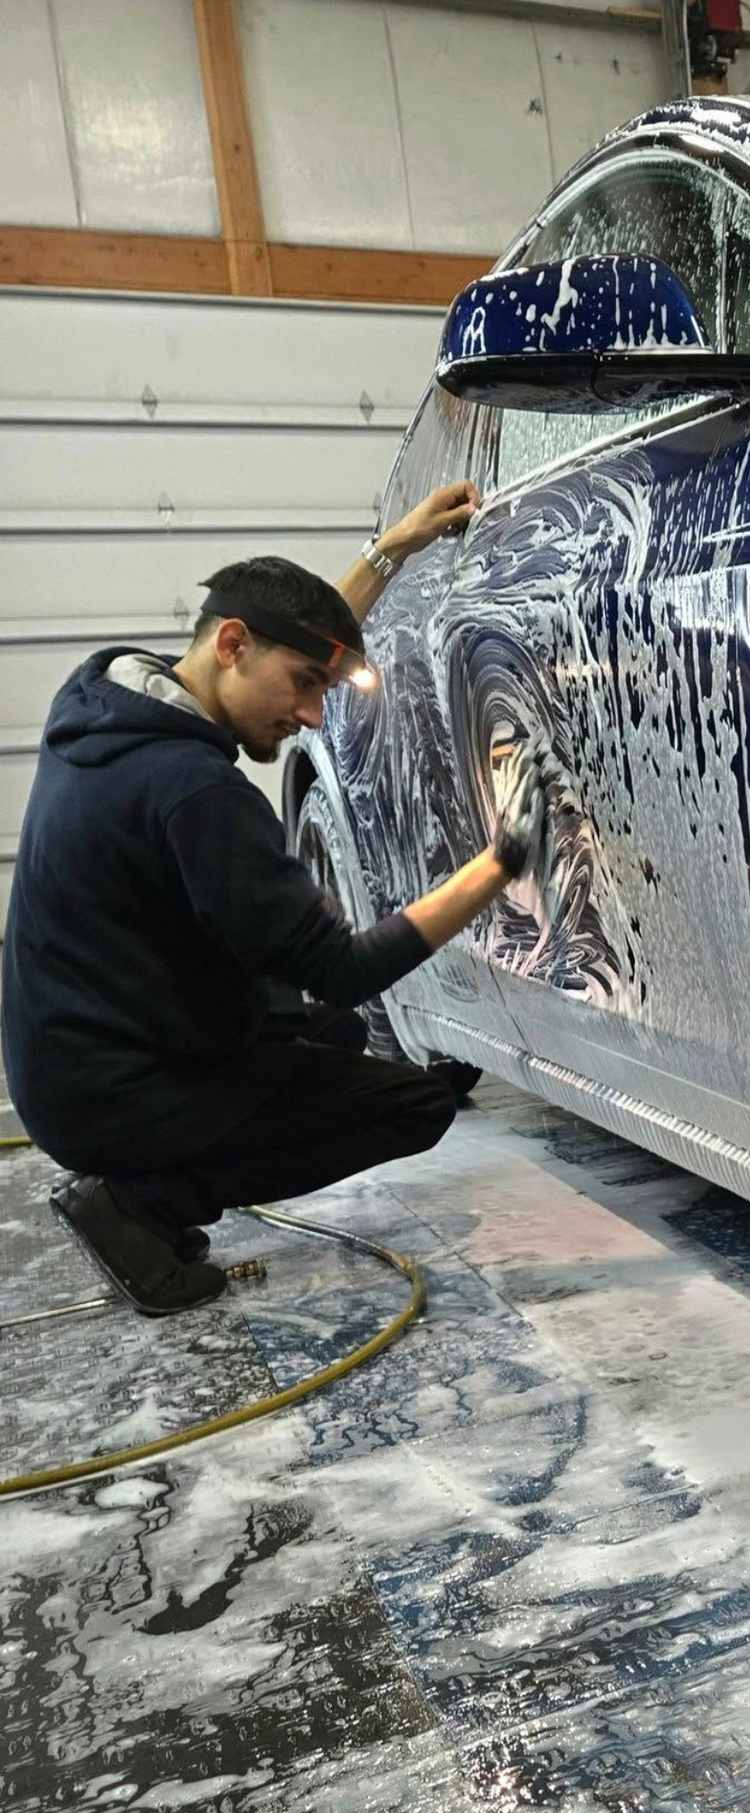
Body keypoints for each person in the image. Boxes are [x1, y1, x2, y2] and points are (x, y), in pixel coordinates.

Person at [1, 481, 551, 1316]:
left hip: (73, 1060)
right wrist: (501, 862)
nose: (313, 715)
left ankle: (146, 1181)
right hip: (116, 1092)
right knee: (411, 1103)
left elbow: (288, 639)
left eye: (322, 688)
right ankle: (141, 1203)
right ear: (231, 645)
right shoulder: (196, 793)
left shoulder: (104, 702)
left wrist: (390, 550)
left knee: (326, 1034)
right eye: (304, 686)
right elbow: (344, 969)